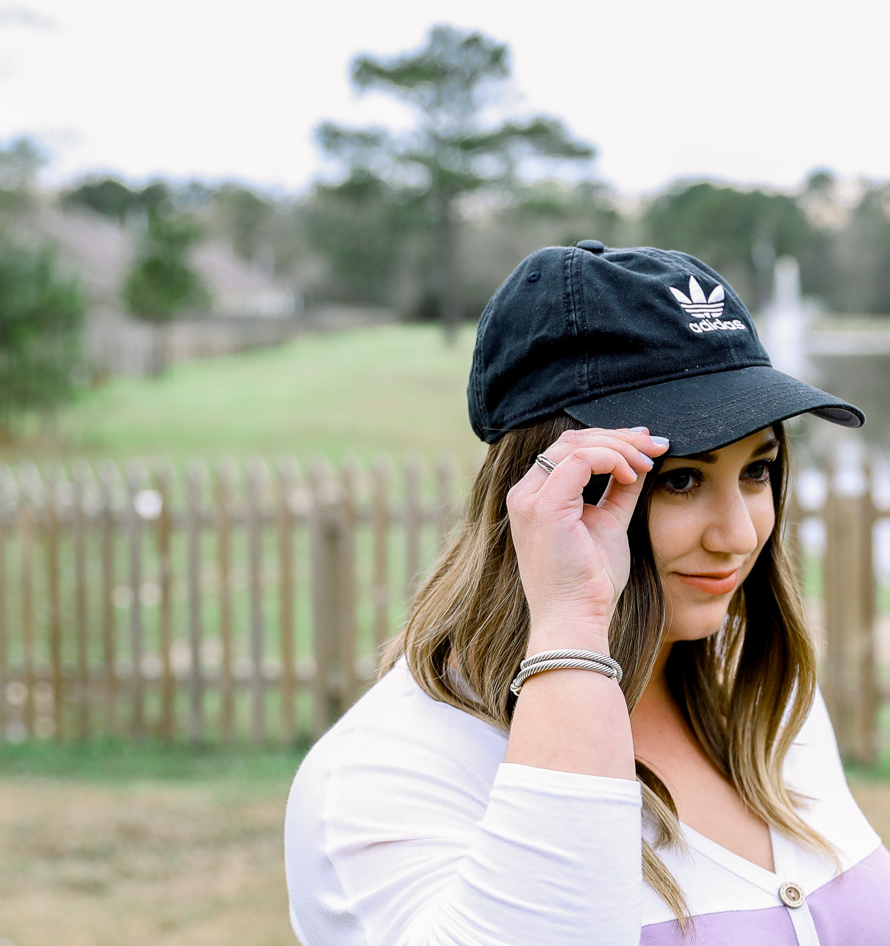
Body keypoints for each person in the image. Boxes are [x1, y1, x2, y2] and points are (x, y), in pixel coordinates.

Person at [285, 242, 889, 944]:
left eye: (757, 470)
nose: (739, 534)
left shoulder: (759, 693)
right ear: (551, 485)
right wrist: (572, 626)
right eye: (681, 479)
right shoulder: (384, 776)